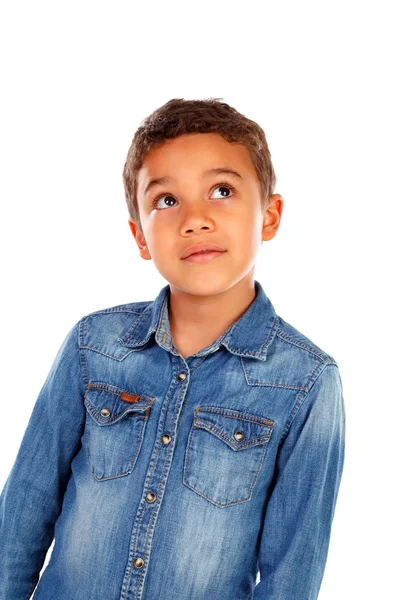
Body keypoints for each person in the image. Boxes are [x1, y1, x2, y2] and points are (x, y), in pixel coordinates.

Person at [0, 98, 346, 600]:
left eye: (221, 191)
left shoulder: (306, 381)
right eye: (167, 201)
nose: (195, 219)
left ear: (269, 216)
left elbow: (294, 568)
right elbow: (24, 512)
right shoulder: (94, 345)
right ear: (140, 234)